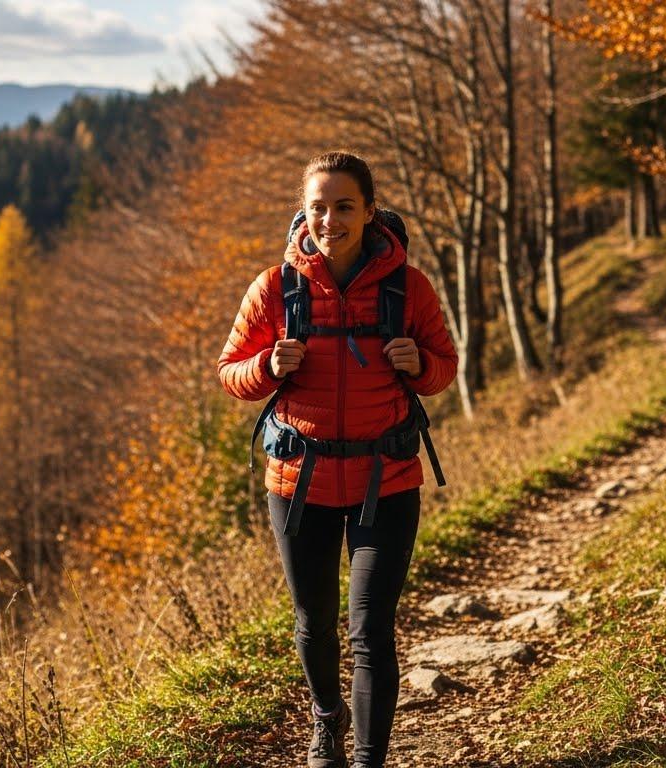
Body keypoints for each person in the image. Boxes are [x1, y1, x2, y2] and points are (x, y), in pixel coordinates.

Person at [216, 151, 458, 768]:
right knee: (314, 622)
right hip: (301, 482)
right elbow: (229, 372)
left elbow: (444, 368)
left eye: (345, 206)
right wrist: (266, 366)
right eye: (319, 207)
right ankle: (328, 718)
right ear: (304, 212)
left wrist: (420, 365)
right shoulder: (275, 288)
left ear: (370, 211)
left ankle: (370, 759)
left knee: (371, 629)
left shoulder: (408, 287)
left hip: (388, 479)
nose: (331, 220)